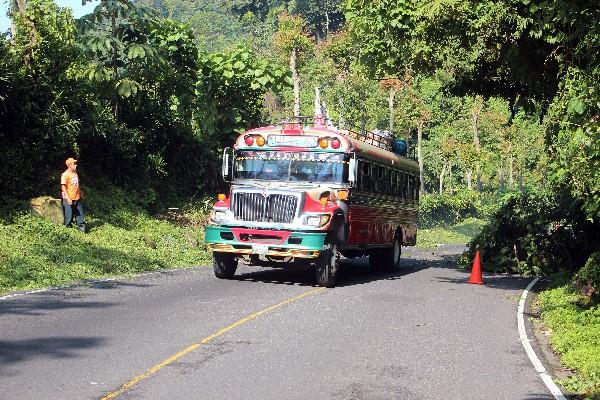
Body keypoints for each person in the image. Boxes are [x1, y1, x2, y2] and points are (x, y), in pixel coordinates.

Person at [61, 157, 86, 232]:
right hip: (68, 198)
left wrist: (81, 193)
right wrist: (68, 198)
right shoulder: (65, 174)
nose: (76, 165)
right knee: (69, 216)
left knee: (80, 214)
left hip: (77, 198)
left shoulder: (75, 173)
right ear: (69, 165)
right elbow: (63, 187)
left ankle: (82, 230)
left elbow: (77, 185)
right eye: (74, 164)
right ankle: (68, 231)